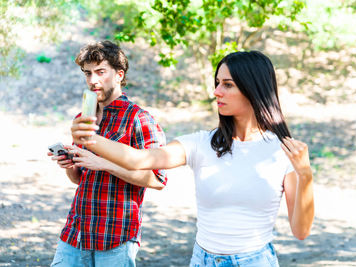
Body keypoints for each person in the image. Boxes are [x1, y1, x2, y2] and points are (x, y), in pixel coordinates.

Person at [70, 51, 314, 266]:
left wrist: (305, 176)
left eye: (227, 84)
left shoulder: (282, 152)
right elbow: (139, 159)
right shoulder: (202, 143)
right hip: (202, 260)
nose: (216, 91)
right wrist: (90, 139)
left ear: (252, 88)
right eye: (217, 83)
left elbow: (301, 231)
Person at [47, 40, 167, 267]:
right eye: (88, 73)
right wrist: (70, 165)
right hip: (76, 232)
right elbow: (78, 179)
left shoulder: (139, 119)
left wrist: (104, 163)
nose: (93, 80)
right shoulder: (83, 118)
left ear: (119, 74)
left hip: (116, 237)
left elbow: (158, 180)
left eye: (101, 72)